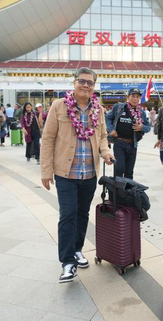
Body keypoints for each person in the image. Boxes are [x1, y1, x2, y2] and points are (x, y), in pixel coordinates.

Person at [41, 67, 113, 284]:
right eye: (82, 81)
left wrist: (107, 152)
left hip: (90, 172)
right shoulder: (59, 106)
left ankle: (78, 249)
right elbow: (48, 139)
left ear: (94, 86)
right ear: (74, 83)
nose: (86, 85)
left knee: (82, 214)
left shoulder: (98, 109)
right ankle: (67, 261)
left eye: (90, 83)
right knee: (68, 215)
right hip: (66, 172)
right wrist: (46, 171)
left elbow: (101, 136)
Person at [106, 88, 151, 179]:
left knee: (129, 171)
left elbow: (148, 128)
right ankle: (117, 192)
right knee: (119, 168)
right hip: (119, 143)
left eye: (137, 97)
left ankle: (128, 192)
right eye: (133, 96)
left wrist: (141, 127)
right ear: (128, 97)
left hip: (132, 144)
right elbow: (107, 118)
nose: (135, 99)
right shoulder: (118, 107)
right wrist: (111, 130)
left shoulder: (141, 112)